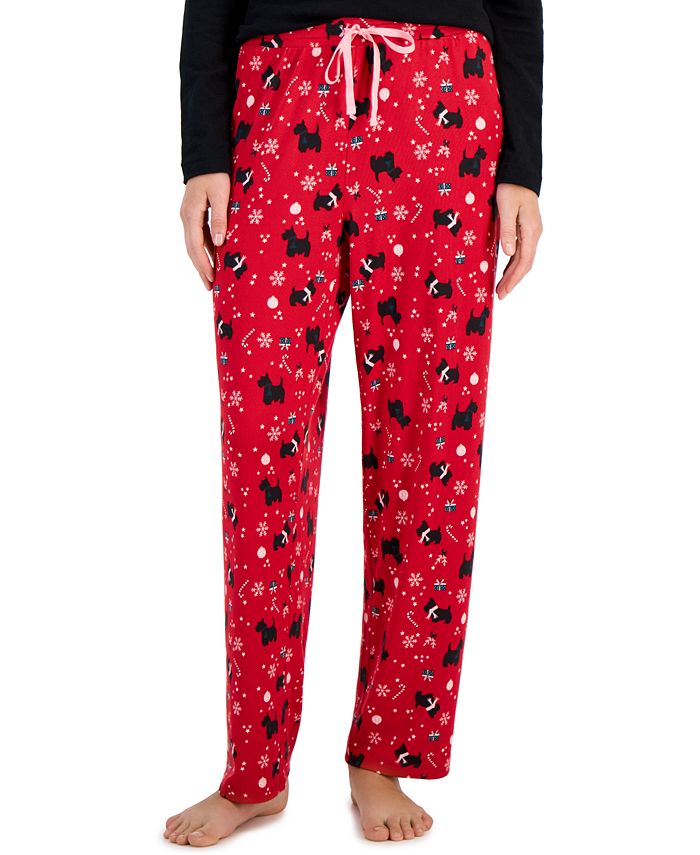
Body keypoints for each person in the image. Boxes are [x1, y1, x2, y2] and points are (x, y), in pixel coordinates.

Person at [167, 0, 543, 846]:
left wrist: (524, 164)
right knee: (262, 452)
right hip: (278, 102)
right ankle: (255, 767)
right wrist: (202, 153)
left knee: (432, 454)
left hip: (443, 103)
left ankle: (386, 753)